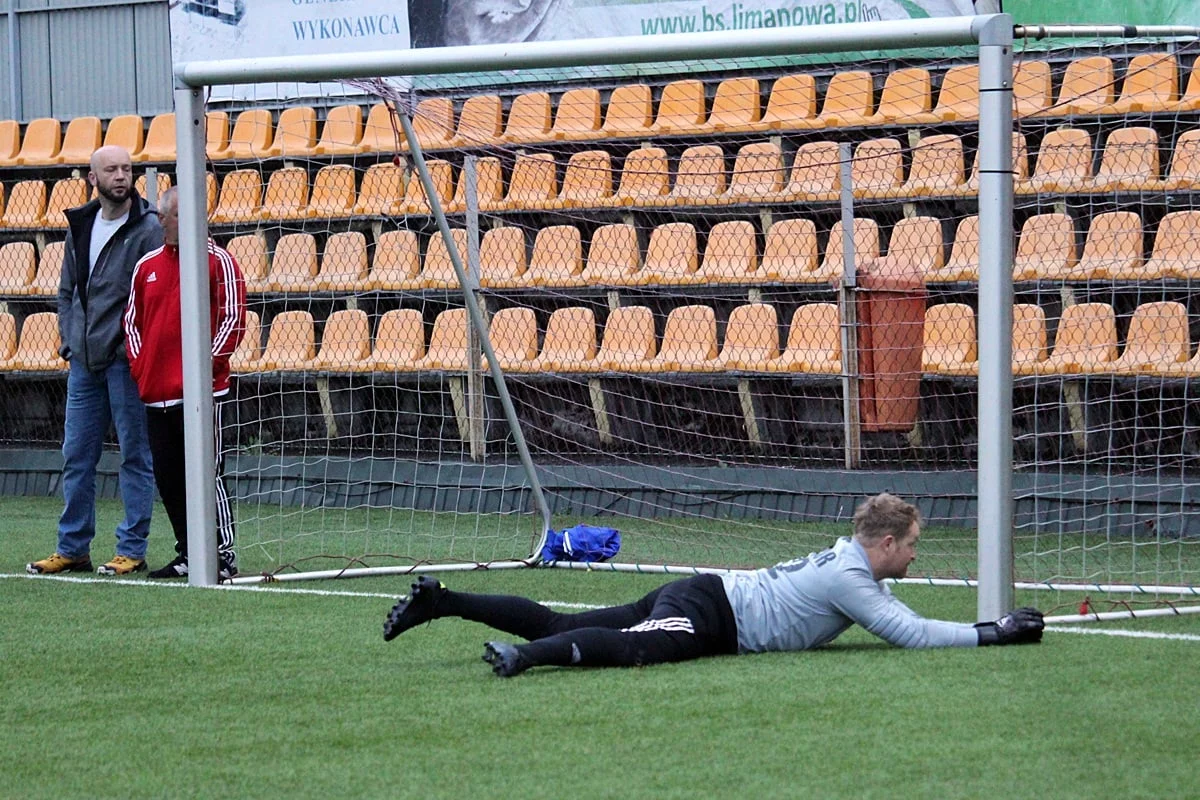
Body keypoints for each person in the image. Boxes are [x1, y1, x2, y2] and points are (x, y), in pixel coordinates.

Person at [382, 493, 1044, 677]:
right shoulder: (852, 578)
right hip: (711, 616)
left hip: (708, 594)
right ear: (888, 543)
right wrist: (994, 633)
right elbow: (912, 635)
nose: (915, 558)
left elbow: (898, 613)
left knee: (565, 622)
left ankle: (443, 601)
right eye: (913, 547)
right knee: (638, 647)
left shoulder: (849, 562)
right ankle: (522, 660)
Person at [27, 146, 162, 577]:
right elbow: (66, 292)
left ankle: (132, 549)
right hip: (84, 364)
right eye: (112, 170)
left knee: (134, 457)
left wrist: (128, 347)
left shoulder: (149, 228)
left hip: (126, 363)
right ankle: (73, 548)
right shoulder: (81, 225)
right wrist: (70, 340)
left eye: (126, 169)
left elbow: (154, 296)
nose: (121, 176)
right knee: (77, 455)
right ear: (93, 177)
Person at [123, 187, 246, 580]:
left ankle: (222, 554)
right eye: (166, 215)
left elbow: (233, 319)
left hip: (204, 394)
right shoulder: (147, 265)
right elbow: (132, 323)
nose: (166, 221)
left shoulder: (219, 261)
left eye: (172, 214)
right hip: (156, 395)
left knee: (208, 471)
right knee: (169, 476)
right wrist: (144, 371)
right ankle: (190, 551)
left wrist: (202, 370)